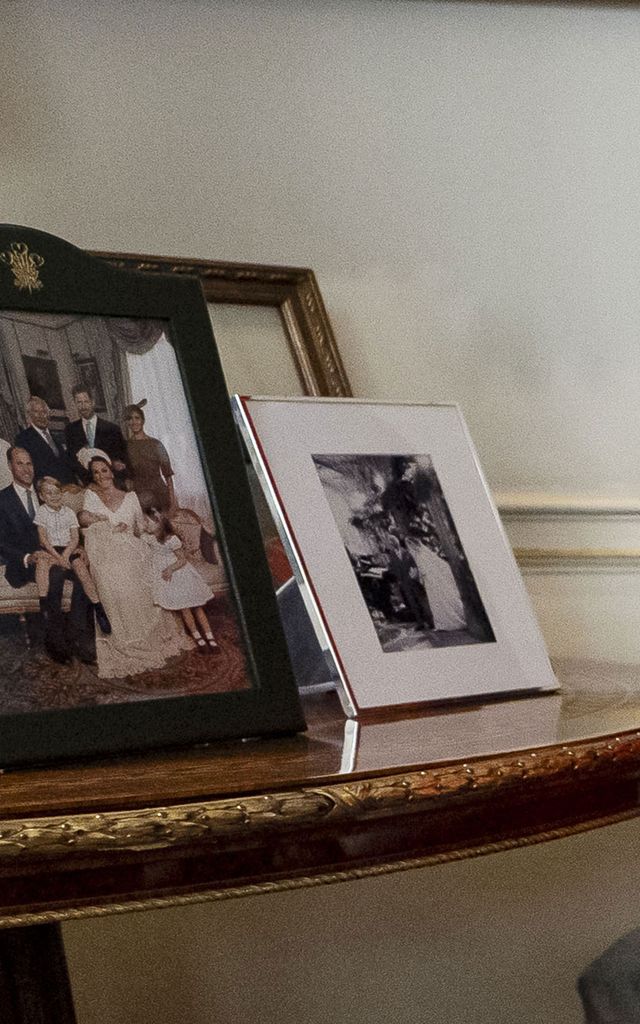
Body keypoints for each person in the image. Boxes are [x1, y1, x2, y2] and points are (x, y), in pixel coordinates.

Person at [78, 456, 192, 678]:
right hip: (104, 553)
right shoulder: (90, 496)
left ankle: (147, 634)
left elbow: (140, 529)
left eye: (104, 470)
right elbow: (85, 524)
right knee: (110, 578)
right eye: (96, 472)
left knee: (133, 573)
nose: (101, 475)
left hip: (130, 548)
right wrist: (103, 525)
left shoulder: (130, 497)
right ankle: (123, 638)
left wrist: (154, 534)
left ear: (112, 472)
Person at [0, 447, 94, 664]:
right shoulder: (3, 499)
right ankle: (56, 640)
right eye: (20, 463)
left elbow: (67, 526)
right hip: (27, 562)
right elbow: (1, 542)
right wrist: (28, 557)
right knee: (56, 575)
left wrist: (79, 547)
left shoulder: (47, 492)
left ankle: (77, 636)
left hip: (59, 554)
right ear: (10, 466)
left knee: (84, 572)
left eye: (29, 463)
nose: (26, 469)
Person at [33, 476, 111, 636]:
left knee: (81, 567)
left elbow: (75, 538)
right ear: (41, 496)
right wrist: (57, 557)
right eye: (49, 493)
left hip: (68, 548)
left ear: (61, 494)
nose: (54, 496)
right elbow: (43, 539)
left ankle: (98, 607)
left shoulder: (68, 512)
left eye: (57, 492)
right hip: (51, 550)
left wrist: (66, 555)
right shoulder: (42, 512)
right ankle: (44, 606)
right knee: (42, 564)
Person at [143, 508, 218, 653]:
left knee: (197, 607)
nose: (144, 524)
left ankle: (210, 637)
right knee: (185, 609)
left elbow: (182, 560)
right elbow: (136, 536)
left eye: (147, 521)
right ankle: (198, 638)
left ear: (158, 523)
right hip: (171, 581)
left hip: (181, 575)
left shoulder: (172, 539)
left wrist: (170, 569)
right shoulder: (149, 538)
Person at [65, 385, 128, 483]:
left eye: (86, 401)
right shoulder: (70, 430)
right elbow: (72, 460)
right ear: (75, 404)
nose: (83, 406)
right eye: (79, 402)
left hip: (111, 482)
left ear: (93, 402)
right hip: (87, 484)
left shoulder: (112, 429)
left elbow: (122, 457)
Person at [124, 401, 176, 513]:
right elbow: (127, 476)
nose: (134, 422)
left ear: (143, 420)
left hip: (160, 493)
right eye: (130, 419)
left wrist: (173, 503)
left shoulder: (156, 444)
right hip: (139, 495)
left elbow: (168, 475)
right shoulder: (126, 446)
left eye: (137, 418)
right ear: (127, 423)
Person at [14, 396, 77, 485]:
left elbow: (66, 464)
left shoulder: (57, 436)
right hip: (46, 489)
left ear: (48, 414)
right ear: (29, 414)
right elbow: (26, 471)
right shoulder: (23, 438)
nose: (41, 416)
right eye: (36, 412)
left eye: (44, 412)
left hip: (68, 487)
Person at [385, 533, 434, 630]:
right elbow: (392, 568)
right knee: (412, 603)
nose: (391, 545)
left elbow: (415, 564)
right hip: (404, 583)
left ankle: (430, 622)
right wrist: (397, 577)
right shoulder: (391, 556)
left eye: (392, 542)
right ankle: (420, 623)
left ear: (396, 542)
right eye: (390, 543)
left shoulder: (407, 552)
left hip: (413, 581)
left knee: (421, 601)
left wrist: (414, 575)